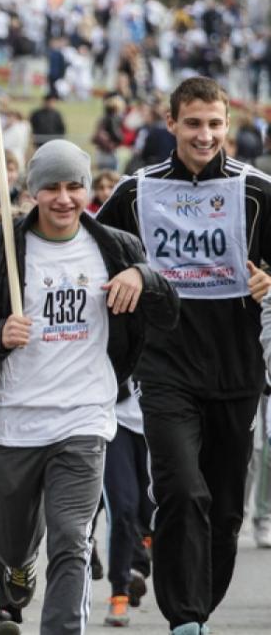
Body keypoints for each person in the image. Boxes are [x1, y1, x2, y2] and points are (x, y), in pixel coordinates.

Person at [0, 140, 177, 635]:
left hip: (84, 417)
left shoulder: (116, 247)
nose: (64, 198)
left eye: (75, 186)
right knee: (13, 540)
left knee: (72, 538)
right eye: (52, 187)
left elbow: (169, 311)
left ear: (88, 190)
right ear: (32, 191)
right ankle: (18, 568)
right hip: (12, 421)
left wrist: (143, 277)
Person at [96, 77, 271, 635]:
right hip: (164, 367)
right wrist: (125, 269)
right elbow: (89, 254)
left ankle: (198, 604)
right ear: (170, 123)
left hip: (238, 368)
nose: (205, 135)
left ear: (228, 126)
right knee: (180, 489)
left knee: (223, 510)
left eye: (215, 124)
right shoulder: (135, 191)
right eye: (193, 123)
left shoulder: (258, 191)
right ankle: (185, 618)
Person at [101, 378, 154, 627]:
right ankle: (120, 591)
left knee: (152, 511)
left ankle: (139, 564)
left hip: (164, 417)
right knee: (122, 506)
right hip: (115, 419)